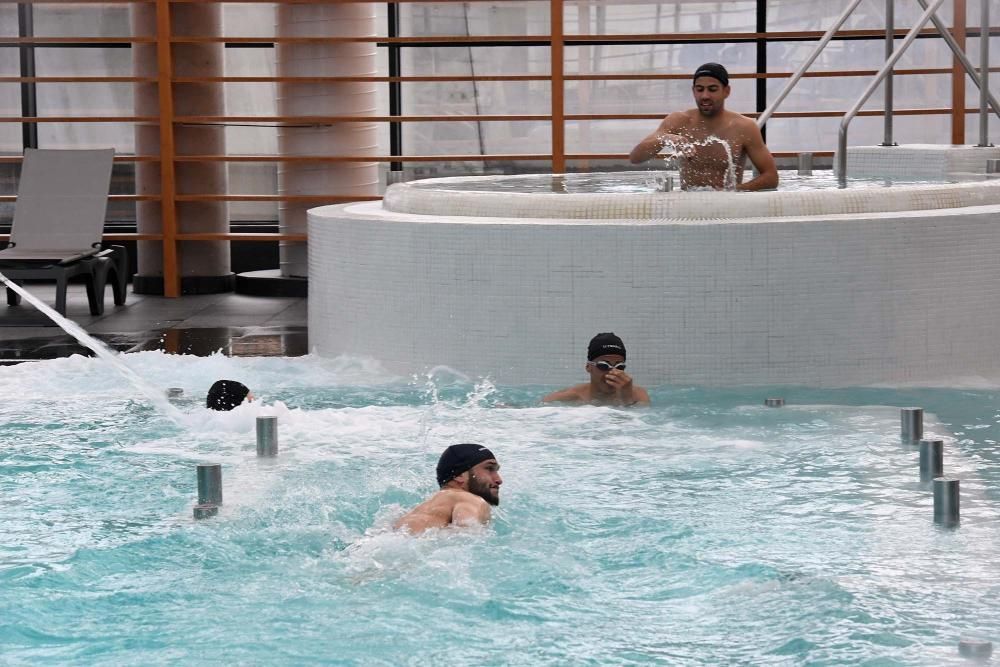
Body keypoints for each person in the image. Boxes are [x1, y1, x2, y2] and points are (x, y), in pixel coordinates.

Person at [629, 62, 779, 192]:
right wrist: (666, 138)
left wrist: (735, 191)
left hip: (728, 204)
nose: (705, 96)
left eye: (712, 89)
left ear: (726, 91)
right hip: (690, 202)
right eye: (700, 89)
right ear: (693, 91)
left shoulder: (744, 127)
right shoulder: (678, 121)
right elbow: (635, 158)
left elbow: (771, 176)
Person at [394, 444, 502, 534]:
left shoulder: (414, 512)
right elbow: (465, 538)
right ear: (459, 476)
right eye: (489, 469)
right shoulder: (470, 499)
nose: (499, 480)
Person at [542, 332, 651, 407]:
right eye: (604, 365)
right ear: (588, 367)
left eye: (619, 367)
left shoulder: (638, 395)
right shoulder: (569, 397)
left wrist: (627, 400)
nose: (612, 372)